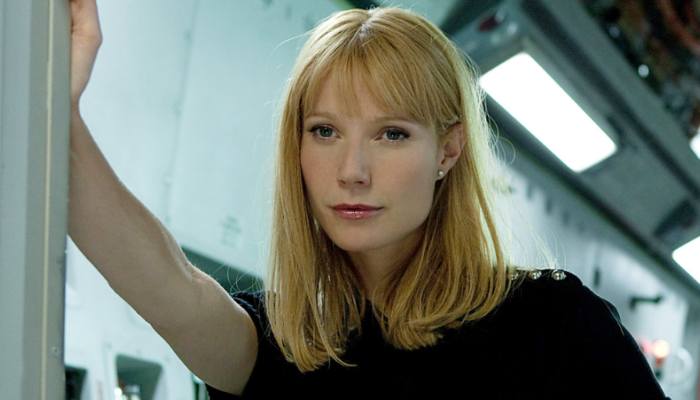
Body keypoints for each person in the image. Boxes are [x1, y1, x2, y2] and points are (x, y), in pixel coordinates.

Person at [69, 1, 670, 399]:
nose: (352, 171)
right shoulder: (289, 346)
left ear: (449, 150)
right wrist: (59, 110)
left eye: (392, 134)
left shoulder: (555, 325)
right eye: (325, 131)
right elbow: (171, 288)